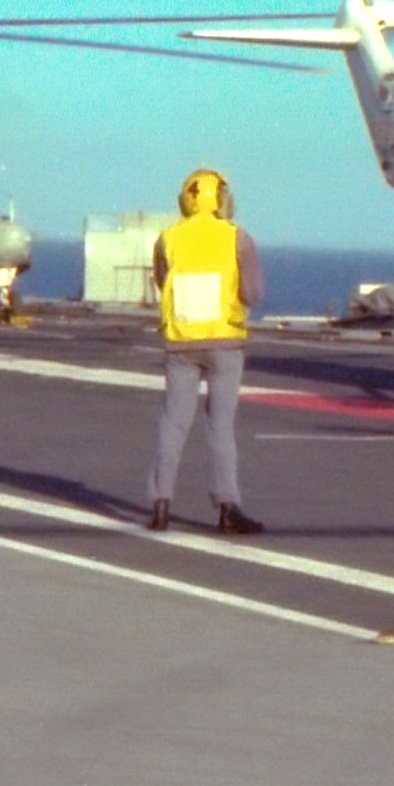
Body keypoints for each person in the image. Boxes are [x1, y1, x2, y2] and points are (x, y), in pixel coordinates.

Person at [146, 167, 264, 535]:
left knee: (173, 423)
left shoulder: (167, 238)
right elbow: (252, 294)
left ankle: (161, 505)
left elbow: (163, 281)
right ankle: (227, 508)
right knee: (220, 426)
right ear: (220, 199)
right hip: (225, 343)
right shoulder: (236, 237)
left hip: (181, 341)